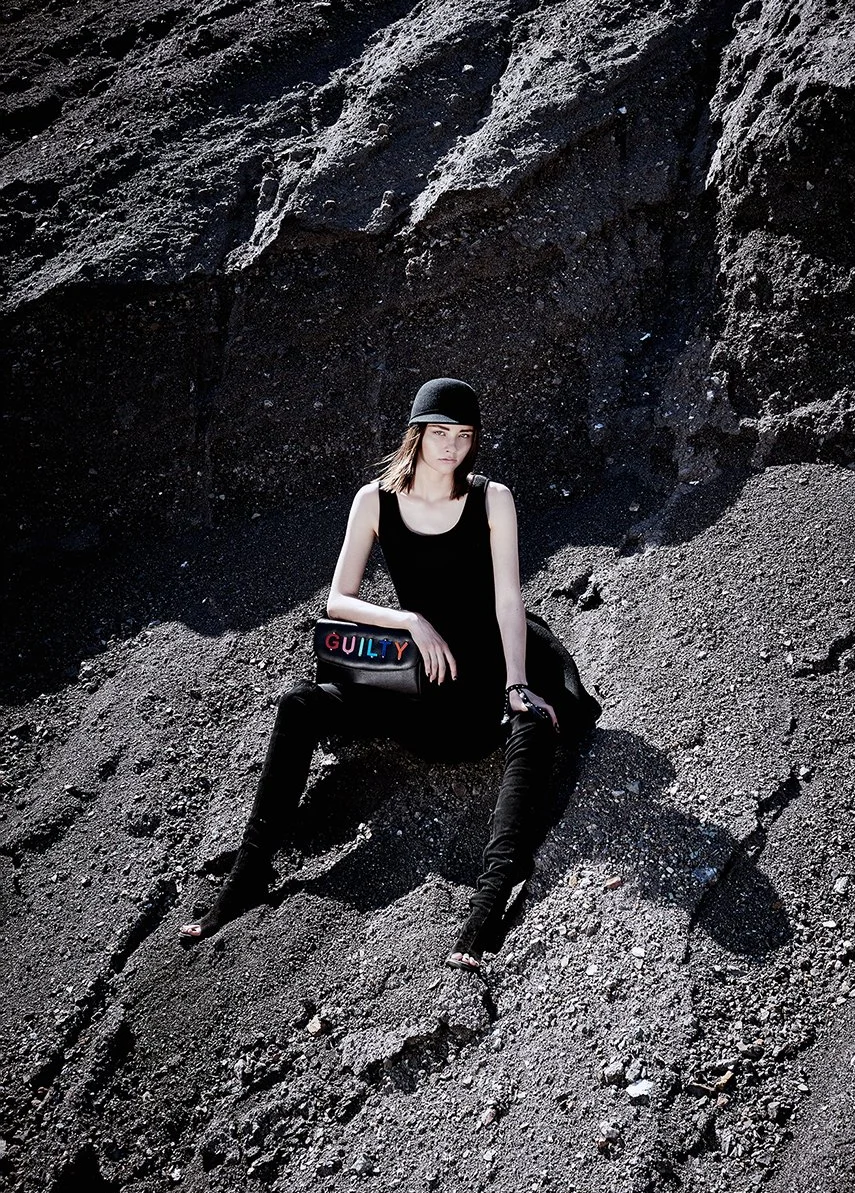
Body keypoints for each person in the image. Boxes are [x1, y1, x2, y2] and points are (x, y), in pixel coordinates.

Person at [180, 377, 597, 970]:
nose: (452, 447)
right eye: (440, 433)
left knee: (532, 723)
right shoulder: (373, 500)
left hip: (481, 682)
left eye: (464, 435)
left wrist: (515, 684)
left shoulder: (491, 499)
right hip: (413, 681)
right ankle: (246, 880)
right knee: (298, 705)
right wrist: (409, 620)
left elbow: (509, 600)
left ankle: (482, 920)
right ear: (417, 433)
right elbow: (338, 600)